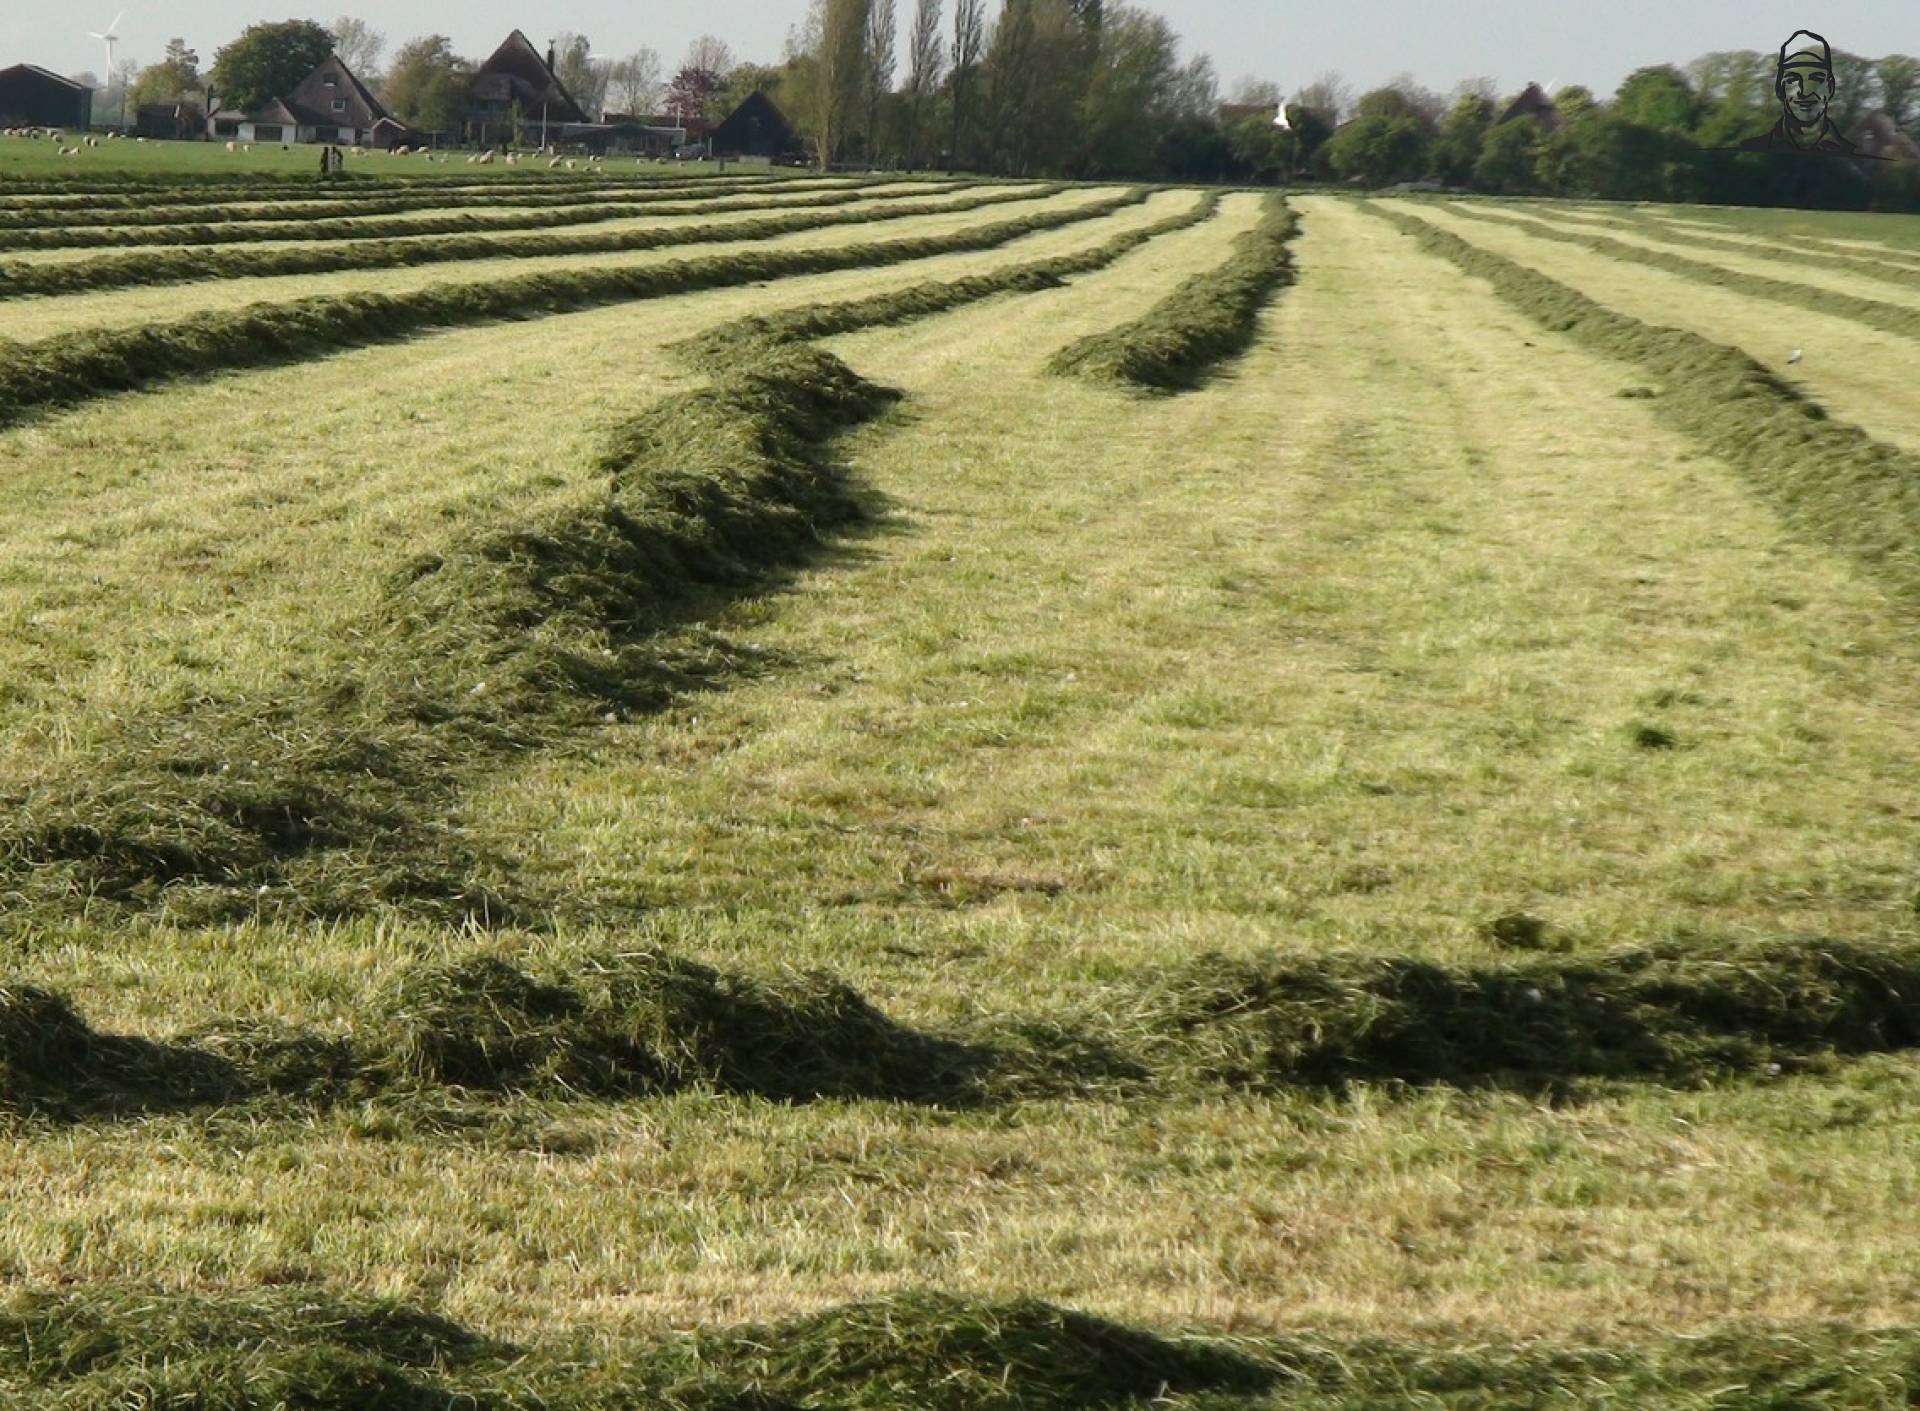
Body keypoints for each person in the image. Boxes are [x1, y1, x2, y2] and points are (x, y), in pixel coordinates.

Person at [1739, 31, 1867, 156]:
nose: (1804, 92)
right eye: (1792, 80)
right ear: (1779, 89)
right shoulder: (1753, 151)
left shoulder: (1853, 156)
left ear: (1830, 88)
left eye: (1816, 79)